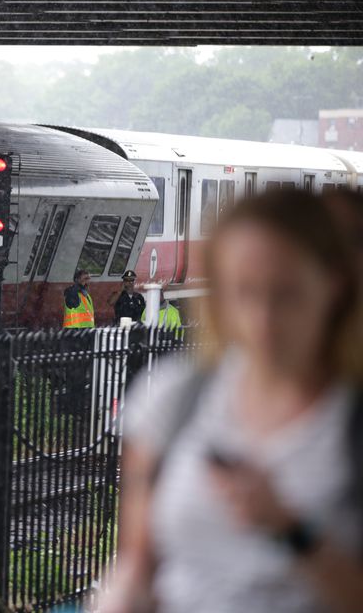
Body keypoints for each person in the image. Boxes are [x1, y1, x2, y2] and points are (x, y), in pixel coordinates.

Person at [103, 189, 363, 613]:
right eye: (246, 293)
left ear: (333, 284)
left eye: (287, 293)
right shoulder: (178, 398)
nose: (264, 320)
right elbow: (136, 564)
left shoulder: (350, 422)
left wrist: (291, 529)